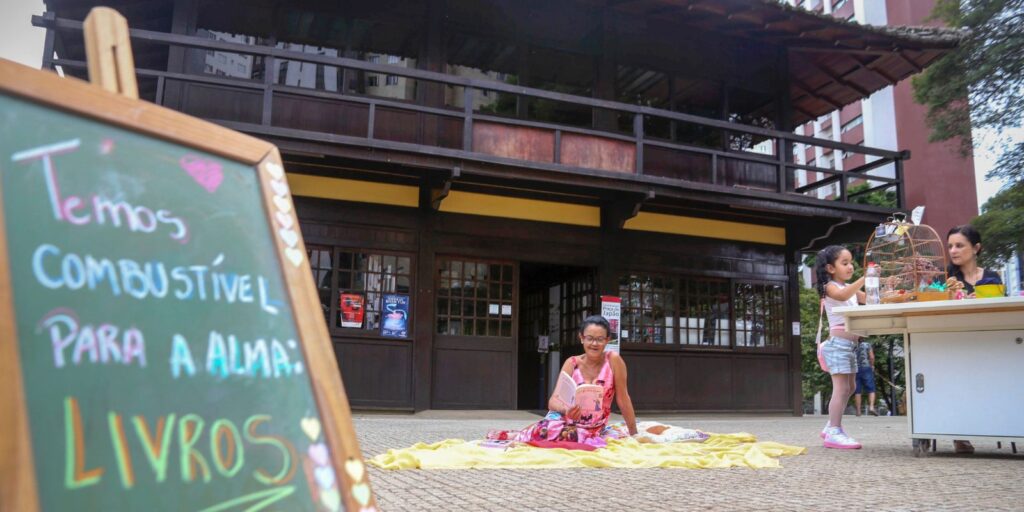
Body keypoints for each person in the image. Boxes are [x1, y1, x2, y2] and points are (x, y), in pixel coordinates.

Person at [515, 315, 638, 447]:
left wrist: (634, 433)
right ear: (581, 338)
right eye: (589, 338)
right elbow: (553, 401)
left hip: (595, 427)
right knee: (548, 430)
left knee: (612, 441)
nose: (594, 344)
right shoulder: (571, 363)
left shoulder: (613, 360)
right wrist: (567, 410)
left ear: (607, 340)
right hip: (564, 422)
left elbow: (623, 398)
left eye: (600, 339)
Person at [944, 224, 1005, 454]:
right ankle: (960, 434)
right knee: (958, 382)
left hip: (988, 340)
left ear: (976, 248)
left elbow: (1000, 309)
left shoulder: (992, 277)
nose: (953, 251)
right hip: (956, 340)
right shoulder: (947, 279)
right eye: (950, 246)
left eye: (959, 245)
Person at [815, 245, 865, 449]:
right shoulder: (830, 287)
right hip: (838, 345)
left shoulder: (850, 288)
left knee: (850, 387)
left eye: (851, 262)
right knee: (842, 387)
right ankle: (834, 430)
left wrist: (881, 284)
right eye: (844, 263)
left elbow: (869, 298)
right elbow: (843, 296)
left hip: (850, 346)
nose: (850, 266)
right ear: (830, 268)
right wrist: (865, 278)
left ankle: (830, 426)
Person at [853, 341, 878, 416]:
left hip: (855, 369)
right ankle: (871, 407)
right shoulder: (867, 344)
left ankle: (858, 411)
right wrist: (872, 365)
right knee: (871, 389)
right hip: (866, 368)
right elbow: (872, 357)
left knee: (857, 391)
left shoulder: (852, 344)